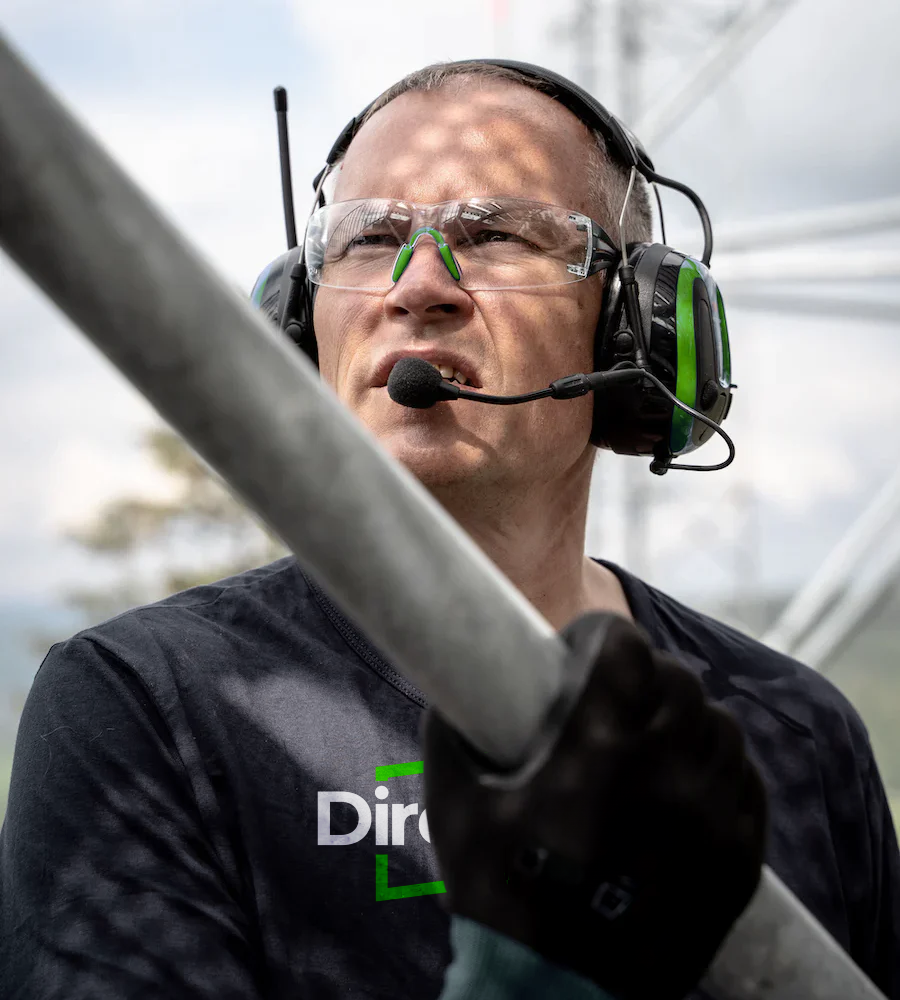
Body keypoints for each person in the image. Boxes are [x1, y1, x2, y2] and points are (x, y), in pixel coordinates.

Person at [0, 58, 897, 999]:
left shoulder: (797, 732)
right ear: (301, 326)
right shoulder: (148, 706)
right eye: (368, 238)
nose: (418, 285)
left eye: (498, 234)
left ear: (636, 330)